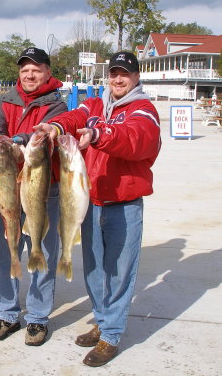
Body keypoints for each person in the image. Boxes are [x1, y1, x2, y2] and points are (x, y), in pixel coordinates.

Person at [38, 51, 161, 366]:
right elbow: (73, 118)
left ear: (136, 77)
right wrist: (53, 127)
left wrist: (98, 134)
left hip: (124, 206)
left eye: (125, 74)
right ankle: (103, 320)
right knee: (93, 270)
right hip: (90, 202)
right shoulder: (93, 105)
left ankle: (111, 335)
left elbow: (136, 140)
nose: (118, 79)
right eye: (114, 73)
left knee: (119, 272)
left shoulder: (144, 110)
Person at [0, 47, 67, 346]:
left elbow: (44, 137)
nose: (29, 74)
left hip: (44, 190)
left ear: (47, 73)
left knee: (42, 251)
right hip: (7, 187)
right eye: (25, 69)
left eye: (36, 69)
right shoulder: (5, 100)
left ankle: (38, 318)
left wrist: (19, 140)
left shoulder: (58, 105)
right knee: (4, 253)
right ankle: (7, 313)